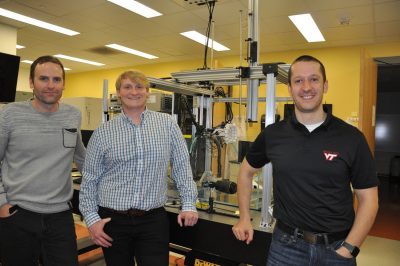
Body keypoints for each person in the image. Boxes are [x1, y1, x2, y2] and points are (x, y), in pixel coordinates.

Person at [232, 55, 379, 265]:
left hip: (336, 249)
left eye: (314, 79)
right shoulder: (273, 134)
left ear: (325, 85)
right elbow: (246, 172)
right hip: (286, 248)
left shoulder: (351, 138)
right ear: (290, 89)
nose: (306, 87)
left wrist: (349, 248)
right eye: (298, 81)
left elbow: (369, 200)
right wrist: (244, 217)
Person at [79, 70, 198, 266]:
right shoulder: (103, 132)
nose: (133, 92)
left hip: (152, 221)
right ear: (118, 93)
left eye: (139, 87)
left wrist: (188, 204)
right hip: (113, 221)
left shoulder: (167, 124)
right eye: (127, 87)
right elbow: (90, 179)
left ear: (147, 92)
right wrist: (92, 219)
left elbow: (182, 166)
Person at [0, 55, 86, 266]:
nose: (50, 85)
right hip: (18, 215)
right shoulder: (10, 114)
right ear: (31, 82)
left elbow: (82, 158)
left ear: (64, 83)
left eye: (56, 80)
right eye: (43, 79)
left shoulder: (72, 115)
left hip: (60, 217)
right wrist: (2, 202)